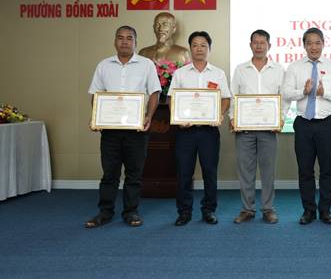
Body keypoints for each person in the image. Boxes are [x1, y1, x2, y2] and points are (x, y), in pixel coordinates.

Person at [85, 26, 161, 228]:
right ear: (115, 41)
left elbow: (155, 92)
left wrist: (149, 116)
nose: (125, 41)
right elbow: (96, 94)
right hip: (110, 131)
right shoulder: (104, 65)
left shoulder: (146, 65)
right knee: (109, 174)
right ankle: (105, 212)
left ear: (136, 42)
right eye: (120, 38)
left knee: (134, 174)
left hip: (137, 130)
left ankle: (131, 212)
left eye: (129, 38)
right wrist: (97, 118)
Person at [282, 27, 331, 224]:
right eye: (309, 43)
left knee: (327, 169)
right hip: (303, 124)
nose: (313, 47)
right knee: (305, 170)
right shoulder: (294, 67)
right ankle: (308, 210)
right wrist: (303, 92)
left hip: (327, 123)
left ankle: (326, 210)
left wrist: (323, 93)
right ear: (304, 45)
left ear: (323, 44)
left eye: (317, 42)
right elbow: (286, 93)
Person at [168, 31, 231, 226]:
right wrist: (177, 118)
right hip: (185, 131)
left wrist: (220, 114)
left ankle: (209, 210)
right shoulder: (180, 73)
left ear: (209, 49)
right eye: (195, 45)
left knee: (209, 172)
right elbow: (171, 99)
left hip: (208, 131)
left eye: (203, 45)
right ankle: (184, 212)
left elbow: (226, 99)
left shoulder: (218, 73)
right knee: (184, 173)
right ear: (190, 49)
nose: (199, 49)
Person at [229, 29, 285, 224]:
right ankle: (247, 209)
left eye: (263, 42)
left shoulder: (278, 70)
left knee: (268, 171)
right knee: (246, 170)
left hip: (269, 129)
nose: (259, 46)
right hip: (244, 129)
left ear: (269, 45)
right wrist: (233, 118)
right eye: (255, 42)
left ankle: (268, 209)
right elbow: (233, 96)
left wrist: (280, 118)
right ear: (250, 45)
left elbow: (284, 98)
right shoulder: (240, 69)